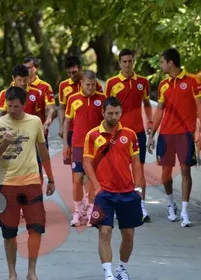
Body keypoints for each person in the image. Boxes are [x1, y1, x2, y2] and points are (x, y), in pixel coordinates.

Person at [0, 86, 55, 280]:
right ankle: (12, 273)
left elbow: (43, 152)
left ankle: (31, 271)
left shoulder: (35, 122)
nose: (12, 110)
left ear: (23, 104)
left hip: (32, 182)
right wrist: (5, 144)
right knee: (9, 232)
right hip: (8, 184)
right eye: (9, 106)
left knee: (36, 228)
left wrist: (51, 178)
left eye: (16, 106)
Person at [83, 96, 145, 280]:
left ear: (121, 113)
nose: (113, 116)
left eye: (117, 113)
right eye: (110, 113)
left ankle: (121, 268)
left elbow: (136, 162)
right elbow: (87, 163)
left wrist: (139, 189)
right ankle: (108, 273)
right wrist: (97, 188)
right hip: (105, 193)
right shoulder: (93, 135)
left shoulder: (130, 135)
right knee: (105, 231)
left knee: (128, 235)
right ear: (103, 113)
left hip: (127, 192)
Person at [146, 48, 201, 227]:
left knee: (185, 170)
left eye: (162, 62)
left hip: (185, 134)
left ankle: (185, 211)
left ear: (170, 63)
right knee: (165, 174)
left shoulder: (193, 80)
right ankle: (170, 203)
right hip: (166, 135)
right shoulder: (163, 85)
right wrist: (152, 135)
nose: (161, 66)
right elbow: (159, 111)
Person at [104, 48, 153, 222]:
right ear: (119, 63)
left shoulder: (142, 82)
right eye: (124, 61)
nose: (127, 64)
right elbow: (106, 109)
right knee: (118, 170)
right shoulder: (111, 83)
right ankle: (119, 205)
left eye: (130, 61)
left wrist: (150, 123)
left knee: (138, 171)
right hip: (117, 134)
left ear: (134, 62)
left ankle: (141, 207)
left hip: (138, 133)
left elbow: (147, 104)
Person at [58, 56, 102, 211]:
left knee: (91, 170)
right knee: (76, 171)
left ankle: (88, 199)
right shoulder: (64, 86)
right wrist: (61, 127)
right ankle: (79, 201)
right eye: (69, 73)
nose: (72, 75)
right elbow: (62, 108)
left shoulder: (94, 85)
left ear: (80, 69)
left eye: (74, 72)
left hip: (92, 135)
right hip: (72, 132)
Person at [63, 70, 106, 227]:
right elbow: (67, 122)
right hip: (78, 145)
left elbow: (107, 122)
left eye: (93, 85)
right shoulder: (73, 99)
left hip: (95, 147)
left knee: (91, 180)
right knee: (77, 179)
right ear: (81, 83)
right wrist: (65, 144)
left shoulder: (102, 99)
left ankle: (90, 210)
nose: (90, 88)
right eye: (88, 85)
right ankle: (77, 211)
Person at [23, 57, 55, 183]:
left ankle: (37, 197)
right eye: (24, 67)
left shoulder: (45, 87)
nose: (25, 70)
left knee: (38, 166)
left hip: (38, 133)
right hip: (20, 134)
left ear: (36, 68)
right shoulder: (16, 84)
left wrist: (46, 124)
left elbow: (51, 109)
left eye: (29, 68)